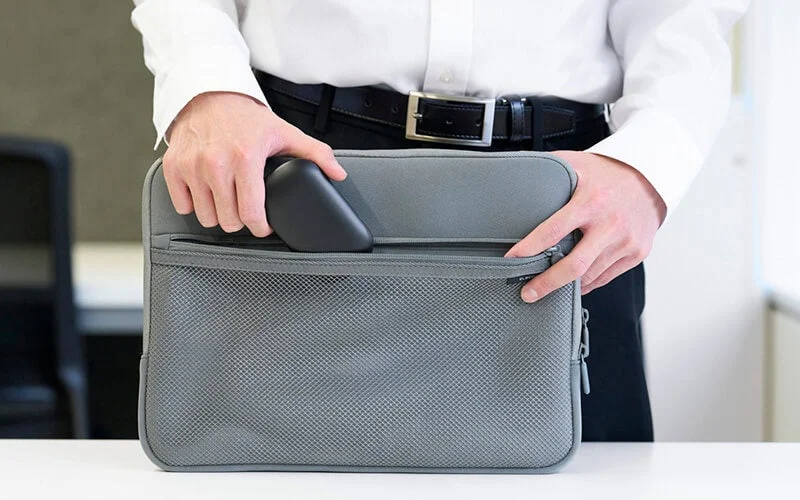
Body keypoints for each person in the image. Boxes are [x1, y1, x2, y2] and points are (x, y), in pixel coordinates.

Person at [131, 0, 749, 441]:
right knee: (263, 460)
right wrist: (206, 84)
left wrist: (648, 169)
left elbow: (689, 19)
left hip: (565, 192)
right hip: (304, 164)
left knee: (591, 471)